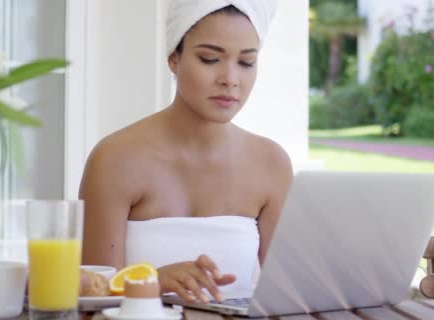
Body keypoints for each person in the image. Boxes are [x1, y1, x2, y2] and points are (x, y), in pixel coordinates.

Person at [78, 0, 292, 304]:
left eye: (246, 62)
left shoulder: (272, 164)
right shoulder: (115, 159)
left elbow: (293, 297)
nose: (230, 78)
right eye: (209, 58)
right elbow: (90, 294)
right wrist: (152, 281)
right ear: (173, 59)